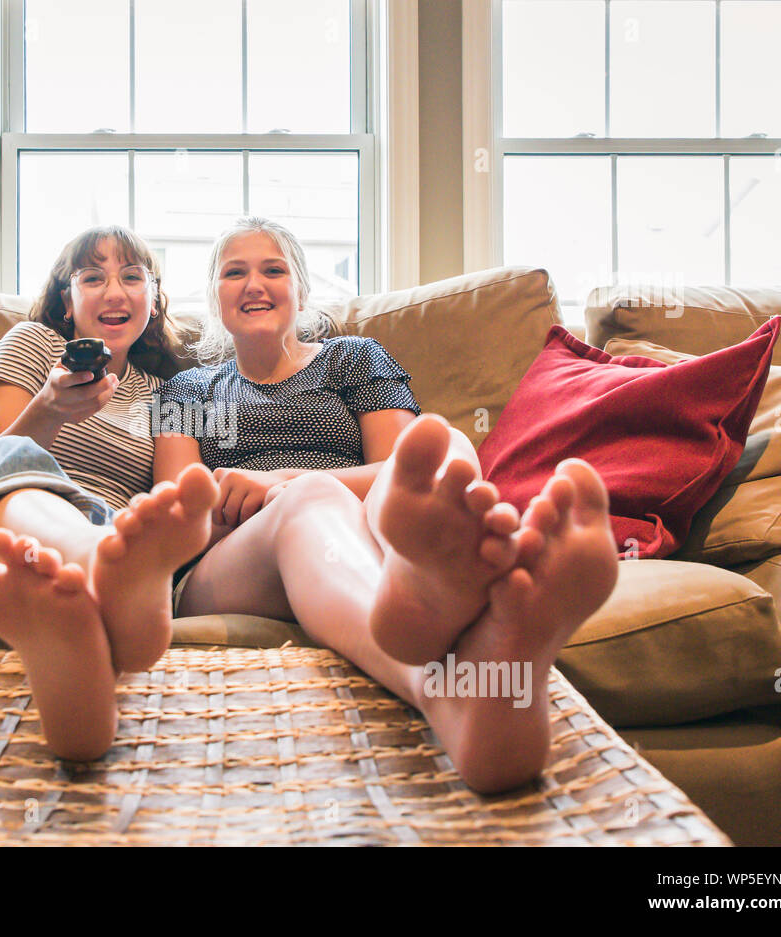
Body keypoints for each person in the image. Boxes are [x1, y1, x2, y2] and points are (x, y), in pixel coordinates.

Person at [154, 216, 619, 794]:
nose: (254, 284)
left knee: (445, 443)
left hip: (355, 528)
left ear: (300, 289)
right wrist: (241, 499)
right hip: (228, 563)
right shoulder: (187, 390)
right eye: (234, 273)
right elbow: (173, 522)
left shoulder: (352, 359)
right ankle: (441, 689)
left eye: (273, 270)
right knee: (313, 498)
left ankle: (426, 589)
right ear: (213, 295)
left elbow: (402, 474)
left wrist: (278, 478)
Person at [0, 226, 218, 761]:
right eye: (92, 277)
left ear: (154, 296)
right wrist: (49, 409)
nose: (115, 292)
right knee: (10, 461)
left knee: (132, 529)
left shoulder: (174, 391)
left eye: (132, 277)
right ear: (65, 296)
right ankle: (98, 572)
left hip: (107, 533)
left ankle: (73, 641)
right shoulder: (31, 345)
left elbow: (172, 509)